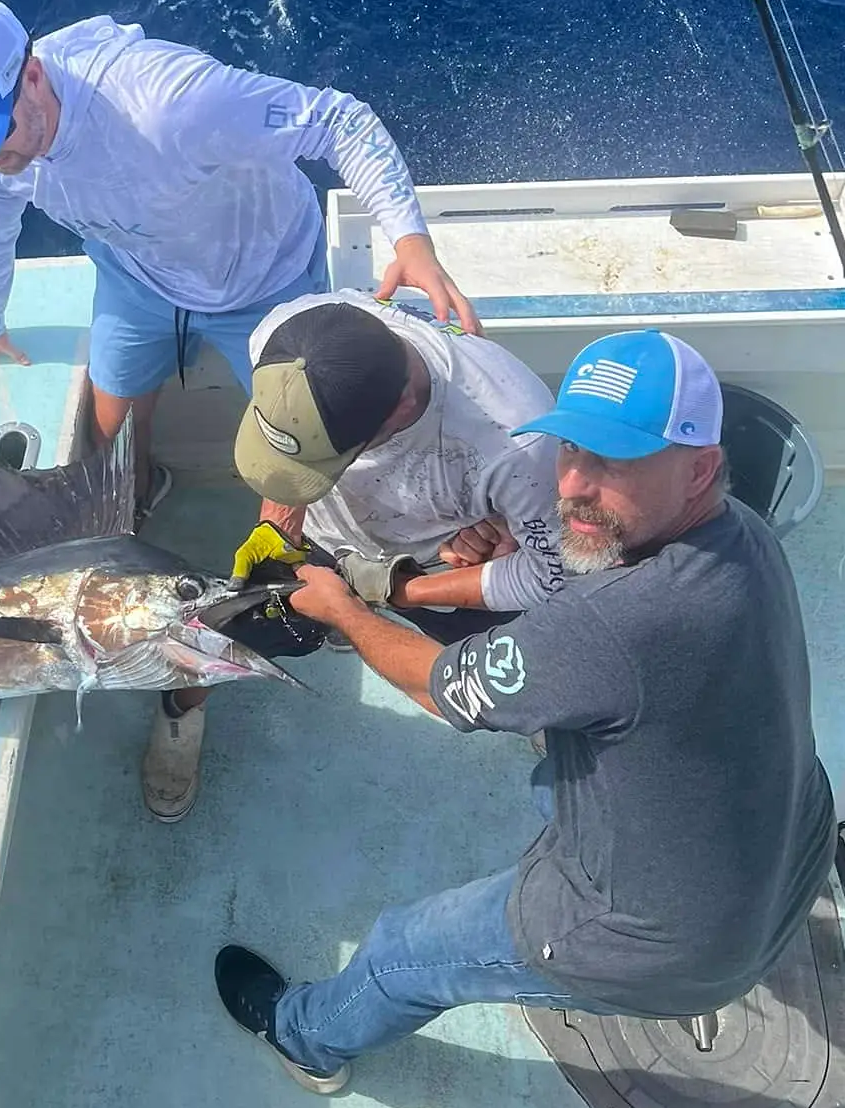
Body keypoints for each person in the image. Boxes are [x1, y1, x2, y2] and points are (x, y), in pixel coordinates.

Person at [212, 328, 835, 1095]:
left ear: (699, 467)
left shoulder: (611, 623)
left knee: (403, 950)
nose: (573, 486)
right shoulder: (746, 536)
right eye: (570, 451)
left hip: (651, 944)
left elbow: (440, 686)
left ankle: (306, 1036)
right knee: (554, 780)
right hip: (790, 857)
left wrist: (344, 606)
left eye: (615, 463)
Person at [0, 0, 478, 521]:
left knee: (298, 457)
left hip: (265, 278)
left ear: (32, 76)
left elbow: (338, 121)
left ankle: (285, 568)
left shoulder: (167, 103)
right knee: (110, 443)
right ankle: (135, 512)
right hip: (137, 276)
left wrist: (411, 242)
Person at [146, 291, 566, 822]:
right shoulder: (287, 334)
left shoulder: (520, 443)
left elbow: (548, 574)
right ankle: (181, 709)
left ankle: (544, 720)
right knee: (222, 632)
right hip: (318, 536)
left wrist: (392, 590)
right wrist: (277, 527)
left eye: (335, 459)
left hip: (440, 565)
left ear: (401, 409)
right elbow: (285, 454)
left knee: (510, 679)